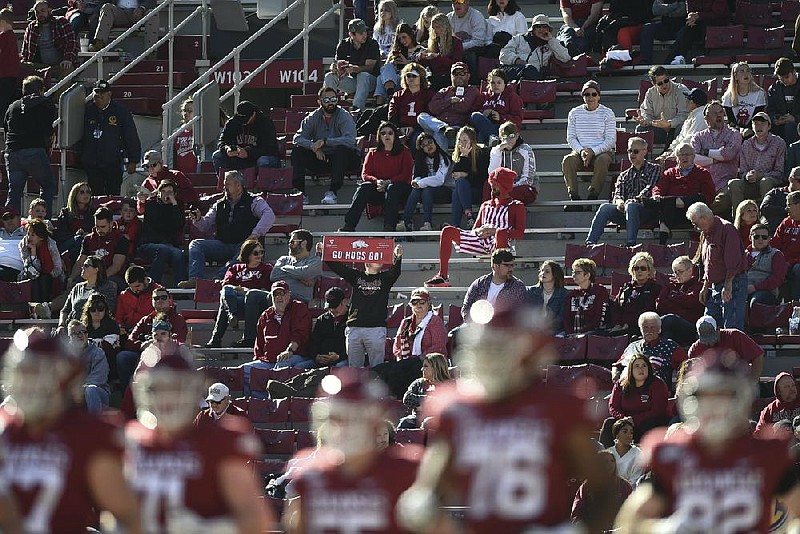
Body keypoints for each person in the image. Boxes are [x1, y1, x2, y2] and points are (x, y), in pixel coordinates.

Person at [397, 301, 599, 533]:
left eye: (499, 348)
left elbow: (602, 487)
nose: (489, 357)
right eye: (485, 347)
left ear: (530, 351)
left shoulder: (558, 406)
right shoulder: (456, 407)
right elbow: (429, 491)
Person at [614, 355, 800, 533]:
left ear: (742, 398)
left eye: (724, 396)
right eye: (705, 396)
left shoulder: (768, 453)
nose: (714, 406)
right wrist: (663, 529)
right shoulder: (671, 453)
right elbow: (631, 522)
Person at [1, 331, 143, 533]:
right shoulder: (4, 428)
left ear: (67, 379)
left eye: (39, 374)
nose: (29, 384)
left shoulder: (89, 433)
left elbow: (126, 516)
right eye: (25, 373)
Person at [127, 354, 272, 533]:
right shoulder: (133, 441)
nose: (167, 398)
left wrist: (210, 528)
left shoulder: (224, 440)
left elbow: (256, 521)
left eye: (175, 388)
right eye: (158, 389)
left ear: (192, 390)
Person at [285, 371, 419, 534]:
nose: (343, 428)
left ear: (374, 421)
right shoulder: (311, 473)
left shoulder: (405, 469)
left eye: (354, 418)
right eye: (336, 419)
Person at [425, 167, 525, 287]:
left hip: (500, 243)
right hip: (480, 240)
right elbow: (475, 229)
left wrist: (495, 231)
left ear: (505, 186)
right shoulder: (486, 205)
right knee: (447, 231)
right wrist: (480, 231)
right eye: (491, 184)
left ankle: (500, 279)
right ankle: (443, 276)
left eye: (496, 185)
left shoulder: (516, 206)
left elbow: (519, 233)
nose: (492, 188)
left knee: (501, 233)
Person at [179, 170, 275, 289]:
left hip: (243, 245)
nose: (224, 187)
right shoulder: (219, 204)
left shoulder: (254, 201)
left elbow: (269, 215)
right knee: (196, 244)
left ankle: (217, 280)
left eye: (227, 184)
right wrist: (198, 219)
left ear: (238, 186)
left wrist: (255, 234)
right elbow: (205, 225)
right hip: (222, 244)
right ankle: (195, 280)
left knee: (243, 252)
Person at [322, 243, 403, 368]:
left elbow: (395, 272)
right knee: (354, 369)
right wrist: (325, 252)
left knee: (378, 369)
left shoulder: (385, 278)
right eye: (376, 257)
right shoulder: (356, 276)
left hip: (375, 328)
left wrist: (398, 257)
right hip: (354, 327)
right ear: (367, 261)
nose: (380, 260)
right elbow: (338, 267)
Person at [239, 229, 321, 348]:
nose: (289, 244)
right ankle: (250, 339)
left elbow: (305, 273)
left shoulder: (314, 261)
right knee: (253, 295)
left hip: (298, 299)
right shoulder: (284, 259)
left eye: (293, 242)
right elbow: (274, 275)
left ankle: (275, 338)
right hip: (276, 295)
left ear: (303, 243)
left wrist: (287, 270)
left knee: (274, 298)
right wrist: (299, 276)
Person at [339, 121, 413, 232]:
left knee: (392, 188)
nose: (386, 136)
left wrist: (388, 182)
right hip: (378, 188)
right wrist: (377, 181)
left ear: (395, 135)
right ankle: (349, 225)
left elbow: (406, 174)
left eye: (390, 133)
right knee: (365, 187)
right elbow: (365, 174)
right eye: (383, 133)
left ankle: (389, 226)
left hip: (399, 190)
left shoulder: (404, 152)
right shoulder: (372, 152)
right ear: (379, 136)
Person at [291, 86, 360, 205]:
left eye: (333, 99)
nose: (330, 103)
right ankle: (300, 193)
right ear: (320, 102)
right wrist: (313, 146)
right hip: (322, 157)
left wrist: (326, 141)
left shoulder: (344, 115)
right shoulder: (313, 117)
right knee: (298, 151)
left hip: (345, 159)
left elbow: (350, 140)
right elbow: (297, 138)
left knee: (342, 150)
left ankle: (333, 192)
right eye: (326, 100)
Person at [586, 135, 659, 247]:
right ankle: (590, 243)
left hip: (647, 210)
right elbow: (618, 193)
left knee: (632, 205)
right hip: (626, 210)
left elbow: (650, 187)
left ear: (644, 151)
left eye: (635, 151)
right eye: (629, 151)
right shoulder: (624, 175)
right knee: (605, 208)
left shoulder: (655, 168)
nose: (632, 155)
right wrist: (619, 202)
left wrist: (633, 201)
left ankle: (631, 243)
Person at [243, 280, 312, 393]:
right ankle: (256, 402)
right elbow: (259, 343)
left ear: (289, 295)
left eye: (282, 293)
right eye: (276, 294)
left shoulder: (299, 308)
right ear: (271, 297)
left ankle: (275, 401)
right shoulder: (265, 315)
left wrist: (289, 351)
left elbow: (300, 334)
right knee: (245, 371)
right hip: (268, 360)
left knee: (283, 363)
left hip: (295, 355)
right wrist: (257, 360)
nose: (279, 297)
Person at [687, 202, 748, 329]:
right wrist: (705, 286)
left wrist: (728, 284)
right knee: (707, 325)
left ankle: (733, 349)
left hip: (732, 284)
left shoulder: (727, 229)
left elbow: (733, 261)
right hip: (715, 286)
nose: (695, 227)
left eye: (695, 223)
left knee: (731, 326)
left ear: (703, 218)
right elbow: (708, 263)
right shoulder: (705, 233)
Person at [75, 80, 142, 196]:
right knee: (95, 196)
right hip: (92, 163)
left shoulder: (120, 111)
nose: (99, 96)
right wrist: (81, 156)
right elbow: (77, 134)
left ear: (109, 94)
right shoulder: (87, 110)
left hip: (113, 162)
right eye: (97, 92)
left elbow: (130, 135)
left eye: (103, 93)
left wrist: (133, 160)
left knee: (113, 195)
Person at [3, 75, 56, 217]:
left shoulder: (12, 106)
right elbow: (48, 130)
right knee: (48, 185)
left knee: (14, 192)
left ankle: (8, 226)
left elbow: (6, 130)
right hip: (35, 151)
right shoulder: (44, 104)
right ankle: (43, 222)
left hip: (12, 152)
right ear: (40, 90)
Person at [116, 287, 187, 391]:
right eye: (156, 298)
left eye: (163, 297)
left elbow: (179, 340)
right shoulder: (146, 319)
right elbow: (130, 341)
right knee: (123, 356)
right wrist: (142, 344)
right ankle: (128, 394)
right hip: (145, 354)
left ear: (170, 300)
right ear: (152, 301)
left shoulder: (178, 319)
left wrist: (158, 344)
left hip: (168, 356)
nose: (160, 301)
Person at [206, 239, 273, 348]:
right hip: (236, 301)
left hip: (255, 304)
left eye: (262, 252)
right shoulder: (235, 268)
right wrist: (237, 289)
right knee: (226, 291)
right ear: (247, 254)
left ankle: (217, 338)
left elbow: (264, 290)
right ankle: (231, 315)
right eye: (256, 253)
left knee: (226, 303)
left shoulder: (267, 268)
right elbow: (227, 285)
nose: (259, 255)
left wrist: (244, 290)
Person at [563, 80, 617, 211]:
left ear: (599, 96)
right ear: (583, 96)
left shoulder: (608, 113)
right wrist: (582, 151)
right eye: (587, 94)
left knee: (603, 160)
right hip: (581, 151)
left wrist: (593, 151)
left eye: (594, 94)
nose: (590, 97)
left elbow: (611, 140)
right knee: (568, 160)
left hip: (602, 151)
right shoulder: (574, 113)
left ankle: (593, 196)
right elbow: (570, 138)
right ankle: (574, 197)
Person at [649, 142, 715, 243]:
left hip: (693, 209)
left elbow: (709, 196)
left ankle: (664, 238)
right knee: (668, 203)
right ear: (676, 158)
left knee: (694, 201)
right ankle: (662, 243)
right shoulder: (669, 173)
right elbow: (659, 187)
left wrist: (685, 201)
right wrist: (656, 194)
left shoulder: (703, 173)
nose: (684, 157)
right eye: (681, 155)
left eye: (687, 154)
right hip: (673, 211)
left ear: (693, 156)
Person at [728, 112, 787, 217]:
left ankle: (766, 218)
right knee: (734, 183)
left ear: (769, 126)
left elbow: (780, 172)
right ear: (752, 126)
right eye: (756, 124)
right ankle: (738, 220)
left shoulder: (779, 143)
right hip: (750, 183)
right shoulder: (746, 144)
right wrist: (747, 176)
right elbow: (742, 171)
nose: (759, 126)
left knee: (765, 182)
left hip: (771, 183)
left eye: (762, 123)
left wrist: (761, 175)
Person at [691, 100, 742, 217]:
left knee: (721, 201)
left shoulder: (733, 134)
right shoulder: (698, 137)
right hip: (703, 184)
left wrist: (706, 152)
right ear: (706, 118)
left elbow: (729, 154)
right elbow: (693, 158)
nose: (719, 115)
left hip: (725, 183)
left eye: (721, 112)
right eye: (714, 113)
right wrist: (717, 158)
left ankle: (704, 218)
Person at [613, 312, 688, 389]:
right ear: (640, 329)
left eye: (652, 327)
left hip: (655, 392)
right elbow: (617, 365)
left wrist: (679, 388)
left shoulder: (670, 346)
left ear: (659, 329)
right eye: (645, 327)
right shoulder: (632, 346)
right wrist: (615, 374)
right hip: (628, 391)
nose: (649, 331)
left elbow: (686, 366)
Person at [417, 61, 481, 151]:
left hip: (457, 129)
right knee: (421, 117)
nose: (459, 76)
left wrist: (443, 105)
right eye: (455, 73)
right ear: (451, 76)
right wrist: (450, 101)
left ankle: (442, 161)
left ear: (468, 76)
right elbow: (432, 108)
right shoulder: (444, 91)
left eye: (462, 73)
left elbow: (463, 107)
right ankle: (444, 127)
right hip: (439, 125)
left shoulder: (472, 90)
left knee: (438, 134)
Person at [608, 355, 670, 440]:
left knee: (646, 426)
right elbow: (613, 406)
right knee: (609, 423)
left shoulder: (657, 384)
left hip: (650, 420)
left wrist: (634, 419)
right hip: (625, 419)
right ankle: (605, 452)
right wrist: (623, 418)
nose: (641, 369)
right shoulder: (620, 384)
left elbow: (658, 410)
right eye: (637, 366)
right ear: (631, 370)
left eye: (644, 366)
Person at [400, 133, 453, 231]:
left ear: (435, 143)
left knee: (426, 190)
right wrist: (416, 182)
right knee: (417, 190)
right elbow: (416, 177)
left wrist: (420, 183)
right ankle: (405, 222)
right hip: (427, 193)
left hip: (446, 191)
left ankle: (427, 223)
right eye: (424, 145)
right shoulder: (421, 160)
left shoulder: (444, 158)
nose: (428, 146)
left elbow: (439, 180)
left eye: (430, 143)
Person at [137, 180, 186, 284]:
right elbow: (160, 225)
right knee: (163, 249)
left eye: (170, 192)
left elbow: (179, 225)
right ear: (159, 193)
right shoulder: (151, 205)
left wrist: (174, 205)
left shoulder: (177, 206)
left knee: (178, 254)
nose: (166, 195)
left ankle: (181, 289)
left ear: (175, 194)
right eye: (163, 191)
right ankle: (152, 285)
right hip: (149, 243)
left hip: (169, 245)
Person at [325, 18, 380, 110]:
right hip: (353, 81)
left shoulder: (372, 44)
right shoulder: (343, 44)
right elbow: (336, 63)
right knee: (329, 76)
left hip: (371, 81)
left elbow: (370, 68)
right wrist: (335, 68)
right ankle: (329, 107)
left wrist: (354, 68)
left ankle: (356, 109)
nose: (364, 35)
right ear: (351, 34)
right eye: (361, 33)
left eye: (365, 31)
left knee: (363, 75)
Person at [687, 315, 764, 380]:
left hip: (739, 384)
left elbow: (758, 356)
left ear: (718, 329)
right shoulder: (695, 350)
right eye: (705, 339)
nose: (710, 343)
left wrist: (753, 382)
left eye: (711, 337)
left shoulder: (735, 336)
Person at [571, 450, 632, 531]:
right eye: (605, 461)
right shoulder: (587, 486)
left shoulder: (624, 486)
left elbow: (631, 512)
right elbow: (577, 513)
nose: (610, 464)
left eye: (612, 461)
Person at [461, 247, 527, 322]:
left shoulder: (518, 287)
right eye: (507, 265)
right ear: (495, 266)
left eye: (512, 265)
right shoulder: (479, 284)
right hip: (477, 326)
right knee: (454, 333)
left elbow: (520, 313)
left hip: (503, 329)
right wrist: (474, 323)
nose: (511, 269)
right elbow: (466, 307)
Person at [212, 100, 280, 173]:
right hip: (238, 156)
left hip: (258, 156)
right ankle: (227, 182)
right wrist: (227, 149)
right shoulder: (232, 122)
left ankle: (262, 183)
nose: (243, 123)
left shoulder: (265, 124)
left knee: (264, 161)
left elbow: (270, 149)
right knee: (217, 155)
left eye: (246, 119)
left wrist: (249, 153)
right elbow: (222, 141)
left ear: (253, 114)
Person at [499, 14, 570, 82]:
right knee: (530, 69)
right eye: (538, 26)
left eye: (544, 27)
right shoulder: (519, 39)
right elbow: (503, 54)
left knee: (532, 71)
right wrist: (516, 60)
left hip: (534, 76)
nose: (541, 29)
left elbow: (565, 58)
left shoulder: (551, 43)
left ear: (548, 29)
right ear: (533, 29)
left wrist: (551, 40)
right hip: (513, 69)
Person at [70, 206, 128, 288]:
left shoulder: (121, 240)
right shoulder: (88, 239)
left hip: (113, 276)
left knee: (109, 285)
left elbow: (116, 266)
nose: (99, 230)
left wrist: (98, 279)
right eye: (97, 226)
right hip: (90, 274)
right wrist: (71, 278)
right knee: (74, 285)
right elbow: (80, 261)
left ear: (111, 224)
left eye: (103, 227)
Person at [293, 286, 350, 369]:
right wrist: (316, 356)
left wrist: (339, 356)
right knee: (299, 367)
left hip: (343, 359)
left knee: (339, 367)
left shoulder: (352, 318)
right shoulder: (323, 319)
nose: (332, 310)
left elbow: (356, 345)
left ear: (344, 302)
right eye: (330, 307)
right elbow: (313, 342)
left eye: (335, 306)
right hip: (321, 360)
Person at [21, 1, 78, 79]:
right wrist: (23, 62)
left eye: (42, 11)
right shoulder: (32, 27)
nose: (40, 14)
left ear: (50, 11)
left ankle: (58, 92)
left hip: (59, 65)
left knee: (68, 69)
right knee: (18, 66)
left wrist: (67, 59)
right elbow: (25, 51)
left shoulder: (61, 22)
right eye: (37, 12)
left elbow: (71, 42)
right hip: (40, 67)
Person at [59, 255, 118, 330]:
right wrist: (61, 325)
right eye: (83, 265)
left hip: (95, 329)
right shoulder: (77, 287)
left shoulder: (107, 287)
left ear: (96, 269)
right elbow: (65, 310)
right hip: (73, 330)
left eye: (86, 265)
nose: (82, 268)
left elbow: (108, 310)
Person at [609, 252, 661, 336]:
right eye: (636, 268)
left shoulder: (656, 289)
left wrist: (628, 324)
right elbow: (616, 308)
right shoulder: (626, 288)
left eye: (643, 268)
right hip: (620, 328)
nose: (639, 271)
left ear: (649, 271)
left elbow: (648, 310)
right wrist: (618, 324)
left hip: (640, 329)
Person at [664, 0, 730, 65]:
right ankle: (676, 57)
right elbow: (690, 11)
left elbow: (718, 13)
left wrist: (698, 15)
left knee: (706, 25)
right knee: (687, 29)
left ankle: (707, 55)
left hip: (718, 24)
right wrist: (691, 18)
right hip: (699, 23)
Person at [657, 256, 704, 346]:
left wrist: (671, 298)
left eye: (680, 271)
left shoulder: (698, 286)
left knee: (669, 319)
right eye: (675, 272)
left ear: (690, 271)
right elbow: (659, 304)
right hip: (669, 325)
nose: (677, 275)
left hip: (689, 327)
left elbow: (691, 301)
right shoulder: (670, 286)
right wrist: (680, 301)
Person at [635, 66, 688, 145]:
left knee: (681, 128)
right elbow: (647, 113)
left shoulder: (680, 90)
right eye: (660, 83)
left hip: (675, 129)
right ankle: (642, 157)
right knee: (640, 129)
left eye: (666, 81)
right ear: (654, 83)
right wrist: (645, 121)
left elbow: (685, 116)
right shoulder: (650, 93)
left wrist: (669, 124)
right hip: (659, 130)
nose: (664, 85)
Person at [487, 121, 538, 205]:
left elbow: (528, 178)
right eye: (504, 137)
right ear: (500, 137)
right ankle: (490, 213)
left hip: (521, 187)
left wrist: (509, 188)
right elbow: (492, 175)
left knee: (521, 192)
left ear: (517, 136)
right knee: (487, 186)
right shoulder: (496, 151)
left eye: (511, 136)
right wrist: (498, 151)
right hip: (502, 188)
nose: (508, 140)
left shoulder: (525, 150)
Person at [375, 22, 426, 105]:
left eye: (404, 37)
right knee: (386, 69)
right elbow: (386, 68)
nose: (402, 41)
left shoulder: (421, 50)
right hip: (394, 79)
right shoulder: (398, 50)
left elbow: (422, 71)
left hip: (409, 79)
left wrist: (407, 63)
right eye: (400, 39)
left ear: (411, 35)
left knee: (380, 78)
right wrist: (394, 62)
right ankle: (389, 95)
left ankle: (381, 104)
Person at [66, 318, 111, 413]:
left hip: (98, 392)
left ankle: (94, 424)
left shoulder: (98, 352)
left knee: (90, 390)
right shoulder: (64, 355)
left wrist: (79, 389)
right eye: (76, 333)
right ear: (69, 337)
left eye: (84, 332)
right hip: (73, 393)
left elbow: (99, 379)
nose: (81, 335)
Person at [448, 125, 489, 228]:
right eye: (460, 140)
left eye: (465, 140)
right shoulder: (460, 155)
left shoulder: (483, 153)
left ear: (472, 141)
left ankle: (456, 225)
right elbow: (456, 175)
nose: (462, 143)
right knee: (458, 187)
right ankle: (468, 216)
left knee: (459, 188)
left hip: (479, 191)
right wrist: (464, 157)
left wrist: (466, 174)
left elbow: (483, 178)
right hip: (464, 192)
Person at [469, 68, 523, 144]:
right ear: (489, 84)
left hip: (503, 128)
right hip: (485, 125)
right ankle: (493, 137)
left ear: (505, 83)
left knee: (482, 135)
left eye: (499, 82)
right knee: (476, 116)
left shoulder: (513, 97)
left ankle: (493, 137)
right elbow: (472, 112)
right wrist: (483, 112)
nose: (496, 85)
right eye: (493, 83)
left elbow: (518, 119)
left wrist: (501, 117)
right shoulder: (483, 96)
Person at [398, 352, 450, 429]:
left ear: (436, 368)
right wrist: (427, 399)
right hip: (417, 417)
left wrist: (421, 404)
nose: (422, 369)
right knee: (405, 423)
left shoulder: (448, 385)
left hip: (439, 418)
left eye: (426, 366)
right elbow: (407, 398)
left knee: (428, 423)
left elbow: (446, 406)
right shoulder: (419, 383)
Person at [392, 287, 448, 360]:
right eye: (414, 302)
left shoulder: (435, 321)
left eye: (422, 301)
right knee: (380, 369)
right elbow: (397, 345)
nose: (418, 304)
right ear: (411, 305)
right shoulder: (406, 322)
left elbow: (438, 346)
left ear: (428, 304)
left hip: (429, 362)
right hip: (407, 361)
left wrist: (419, 359)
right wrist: (400, 357)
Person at [18, 217, 63, 303]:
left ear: (41, 237)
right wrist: (33, 253)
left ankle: (44, 306)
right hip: (30, 274)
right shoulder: (23, 245)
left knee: (44, 279)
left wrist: (45, 273)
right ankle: (34, 307)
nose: (29, 237)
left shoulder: (50, 245)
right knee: (34, 279)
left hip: (51, 275)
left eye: (33, 235)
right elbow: (29, 267)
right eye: (28, 234)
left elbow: (57, 268)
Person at [88, 0, 158, 52]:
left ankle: (151, 51)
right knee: (107, 7)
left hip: (140, 13)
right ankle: (99, 42)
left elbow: (151, 1)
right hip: (120, 13)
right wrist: (94, 13)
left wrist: (142, 8)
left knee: (153, 13)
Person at [659, 87, 708, 161]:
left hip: (690, 156)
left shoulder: (700, 117)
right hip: (680, 152)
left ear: (692, 102)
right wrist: (668, 152)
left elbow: (690, 140)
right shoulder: (693, 115)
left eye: (687, 99)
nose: (685, 102)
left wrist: (673, 155)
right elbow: (680, 138)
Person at [417, 14, 464, 91]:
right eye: (433, 28)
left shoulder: (456, 42)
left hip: (449, 77)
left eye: (438, 27)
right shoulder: (433, 43)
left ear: (445, 27)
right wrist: (422, 58)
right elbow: (427, 65)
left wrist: (437, 57)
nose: (435, 31)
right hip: (435, 76)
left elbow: (456, 64)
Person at [564, 257, 610, 335]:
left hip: (593, 334)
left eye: (577, 272)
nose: (573, 275)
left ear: (587, 275)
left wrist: (583, 334)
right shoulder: (571, 295)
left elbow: (599, 318)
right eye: (573, 272)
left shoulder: (600, 291)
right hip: (572, 335)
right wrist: (570, 334)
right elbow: (567, 319)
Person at [722, 62, 767, 139]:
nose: (746, 73)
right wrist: (740, 130)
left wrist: (748, 129)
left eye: (748, 71)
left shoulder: (759, 93)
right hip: (735, 131)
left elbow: (758, 116)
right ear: (735, 76)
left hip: (754, 129)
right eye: (742, 71)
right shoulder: (728, 96)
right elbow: (731, 121)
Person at [53, 181, 96, 262]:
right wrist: (76, 234)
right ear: (75, 195)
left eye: (88, 192)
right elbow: (60, 234)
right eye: (82, 192)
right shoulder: (66, 212)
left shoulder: (93, 212)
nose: (86, 195)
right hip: (67, 243)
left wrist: (88, 234)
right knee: (79, 239)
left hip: (87, 241)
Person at [388, 62, 434, 135]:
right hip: (400, 130)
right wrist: (399, 129)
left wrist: (414, 128)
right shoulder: (398, 95)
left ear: (421, 78)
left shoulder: (428, 95)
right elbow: (392, 116)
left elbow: (430, 117)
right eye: (408, 76)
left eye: (414, 76)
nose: (411, 78)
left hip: (421, 131)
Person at [115, 264, 161, 334]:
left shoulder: (160, 293)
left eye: (137, 286)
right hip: (127, 332)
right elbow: (119, 318)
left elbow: (164, 315)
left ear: (145, 280)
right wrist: (120, 328)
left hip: (151, 331)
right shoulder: (124, 295)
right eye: (131, 287)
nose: (134, 290)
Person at [638, 0, 687, 65]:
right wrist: (676, 5)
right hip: (666, 28)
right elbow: (656, 10)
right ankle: (645, 61)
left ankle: (670, 61)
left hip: (682, 28)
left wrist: (666, 10)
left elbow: (684, 10)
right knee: (647, 28)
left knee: (684, 33)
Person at [771, 190, 800, 299]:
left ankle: (796, 305)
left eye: (789, 205)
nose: (786, 208)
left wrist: (789, 263)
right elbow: (774, 244)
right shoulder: (786, 222)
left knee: (798, 269)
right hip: (783, 263)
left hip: (795, 265)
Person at [527, 259, 568, 333]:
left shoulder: (563, 294)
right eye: (542, 270)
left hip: (555, 332)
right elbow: (527, 314)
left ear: (555, 275)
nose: (543, 273)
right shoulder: (531, 291)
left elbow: (561, 318)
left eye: (547, 271)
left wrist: (546, 328)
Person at [768, 57, 800, 146]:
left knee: (790, 126)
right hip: (781, 126)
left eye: (787, 77)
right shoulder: (774, 89)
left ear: (794, 72)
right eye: (781, 78)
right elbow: (770, 110)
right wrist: (775, 119)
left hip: (797, 125)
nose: (784, 80)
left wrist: (795, 118)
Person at [605, 418, 643, 487]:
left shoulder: (638, 454)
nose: (629, 435)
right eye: (625, 432)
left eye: (631, 432)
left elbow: (635, 481)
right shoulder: (609, 453)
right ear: (616, 434)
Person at [0, 8, 20, 121]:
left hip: (2, 75)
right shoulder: (12, 36)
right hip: (12, 76)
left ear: (2, 21)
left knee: (2, 105)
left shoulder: (2, 37)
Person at [172, 97, 197, 174]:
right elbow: (172, 156)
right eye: (184, 111)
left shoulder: (200, 132)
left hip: (195, 173)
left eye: (190, 111)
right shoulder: (177, 132)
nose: (186, 114)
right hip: (181, 174)